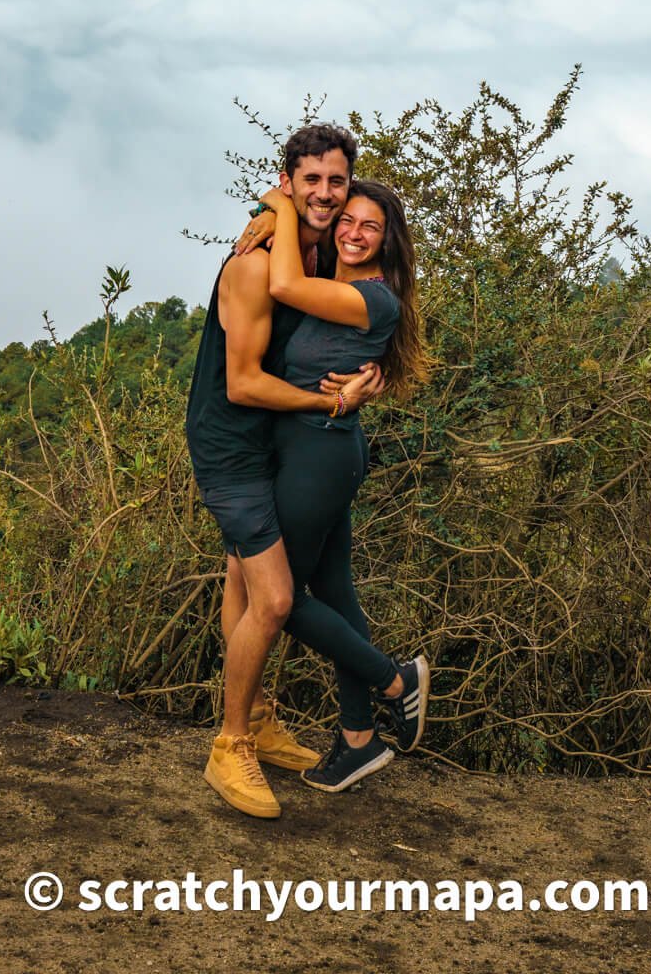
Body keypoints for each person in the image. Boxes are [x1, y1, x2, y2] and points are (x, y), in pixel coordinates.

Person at [185, 122, 383, 818]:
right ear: (290, 182)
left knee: (243, 576)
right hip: (230, 444)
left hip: (274, 440)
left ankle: (260, 718)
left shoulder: (314, 253)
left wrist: (368, 373)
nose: (326, 193)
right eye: (311, 182)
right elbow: (241, 383)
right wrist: (328, 403)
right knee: (273, 598)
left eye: (337, 180)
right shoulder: (254, 262)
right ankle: (230, 745)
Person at [261, 175, 432, 793]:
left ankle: (395, 680)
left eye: (370, 227)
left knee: (276, 598)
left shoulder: (371, 298)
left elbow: (281, 284)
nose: (354, 234)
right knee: (335, 596)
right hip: (317, 450)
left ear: (389, 242)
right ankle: (359, 739)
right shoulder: (336, 284)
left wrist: (279, 202)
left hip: (320, 457)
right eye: (347, 221)